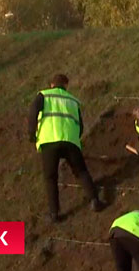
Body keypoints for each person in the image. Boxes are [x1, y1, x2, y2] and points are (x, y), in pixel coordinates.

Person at [27, 74, 105, 224]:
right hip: (70, 141)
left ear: (51, 84)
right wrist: (75, 136)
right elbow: (80, 125)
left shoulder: (44, 95)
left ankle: (54, 214)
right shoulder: (72, 100)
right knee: (81, 171)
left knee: (51, 177)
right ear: (66, 85)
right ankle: (94, 200)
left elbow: (33, 112)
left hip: (49, 140)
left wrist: (32, 133)